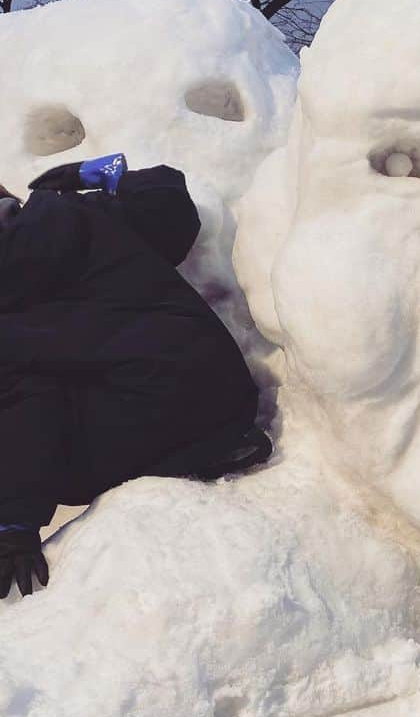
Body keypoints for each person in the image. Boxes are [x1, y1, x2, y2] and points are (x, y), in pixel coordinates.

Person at [0, 154, 270, 598]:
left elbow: (25, 403)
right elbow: (173, 213)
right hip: (225, 390)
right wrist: (102, 174)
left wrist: (15, 521)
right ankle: (214, 442)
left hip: (153, 417)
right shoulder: (80, 214)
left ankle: (193, 452)